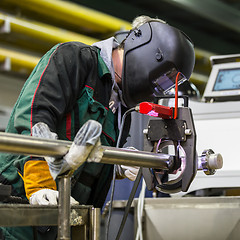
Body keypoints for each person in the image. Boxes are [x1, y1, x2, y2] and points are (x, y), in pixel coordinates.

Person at [0, 15, 195, 239]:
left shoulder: (122, 105)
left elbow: (87, 158)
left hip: (67, 216)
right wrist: (41, 183)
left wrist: (116, 165)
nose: (157, 90)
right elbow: (34, 116)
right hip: (19, 208)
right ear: (147, 53)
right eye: (162, 79)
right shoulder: (74, 58)